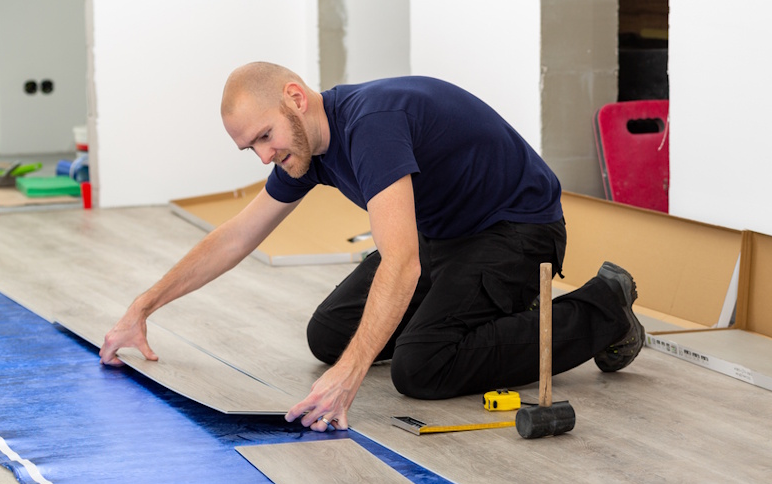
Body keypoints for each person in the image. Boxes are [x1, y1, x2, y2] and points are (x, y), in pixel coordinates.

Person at [100, 62, 644, 432]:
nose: (264, 156)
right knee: (329, 335)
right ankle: (485, 315)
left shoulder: (371, 125)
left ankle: (605, 309)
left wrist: (352, 375)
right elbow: (237, 235)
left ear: (296, 97)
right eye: (251, 148)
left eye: (265, 136)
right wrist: (142, 307)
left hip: (519, 230)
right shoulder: (306, 150)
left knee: (421, 369)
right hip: (447, 236)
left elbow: (402, 261)